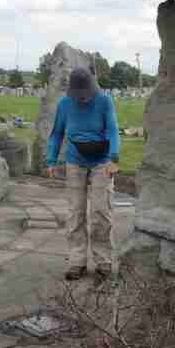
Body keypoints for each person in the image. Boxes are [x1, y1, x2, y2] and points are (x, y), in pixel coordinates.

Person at [46, 67, 120, 281]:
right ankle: (77, 260)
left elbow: (113, 129)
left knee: (101, 212)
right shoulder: (65, 104)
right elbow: (57, 133)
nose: (83, 98)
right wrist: (51, 160)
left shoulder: (104, 101)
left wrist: (114, 159)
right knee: (75, 212)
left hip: (102, 161)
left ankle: (103, 260)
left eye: (86, 93)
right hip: (75, 161)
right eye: (79, 94)